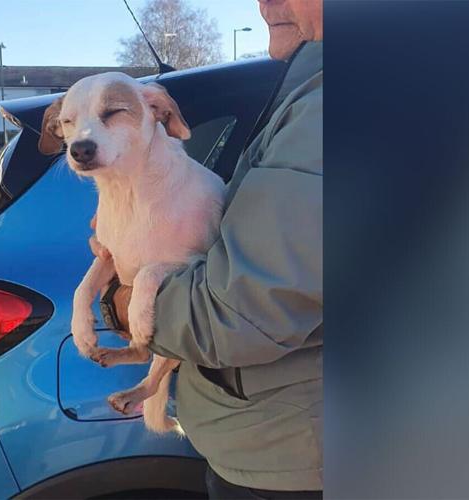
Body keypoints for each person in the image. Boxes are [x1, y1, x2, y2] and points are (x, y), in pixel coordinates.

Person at [97, 0, 323, 497]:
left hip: (288, 458)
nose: (265, 2)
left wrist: (118, 298)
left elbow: (237, 313)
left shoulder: (325, 107)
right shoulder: (310, 92)